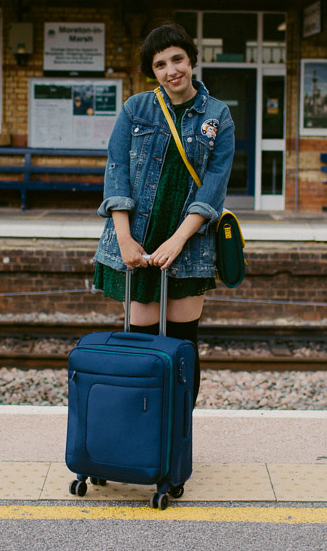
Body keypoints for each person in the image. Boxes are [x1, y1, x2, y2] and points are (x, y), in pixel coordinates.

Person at [93, 21, 235, 405]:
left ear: (191, 60)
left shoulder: (217, 116)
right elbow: (116, 171)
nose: (171, 70)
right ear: (152, 71)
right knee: (139, 343)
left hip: (188, 244)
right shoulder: (135, 108)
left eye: (177, 59)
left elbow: (214, 187)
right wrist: (124, 238)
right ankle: (140, 434)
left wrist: (178, 239)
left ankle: (177, 436)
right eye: (160, 64)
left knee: (183, 343)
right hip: (138, 240)